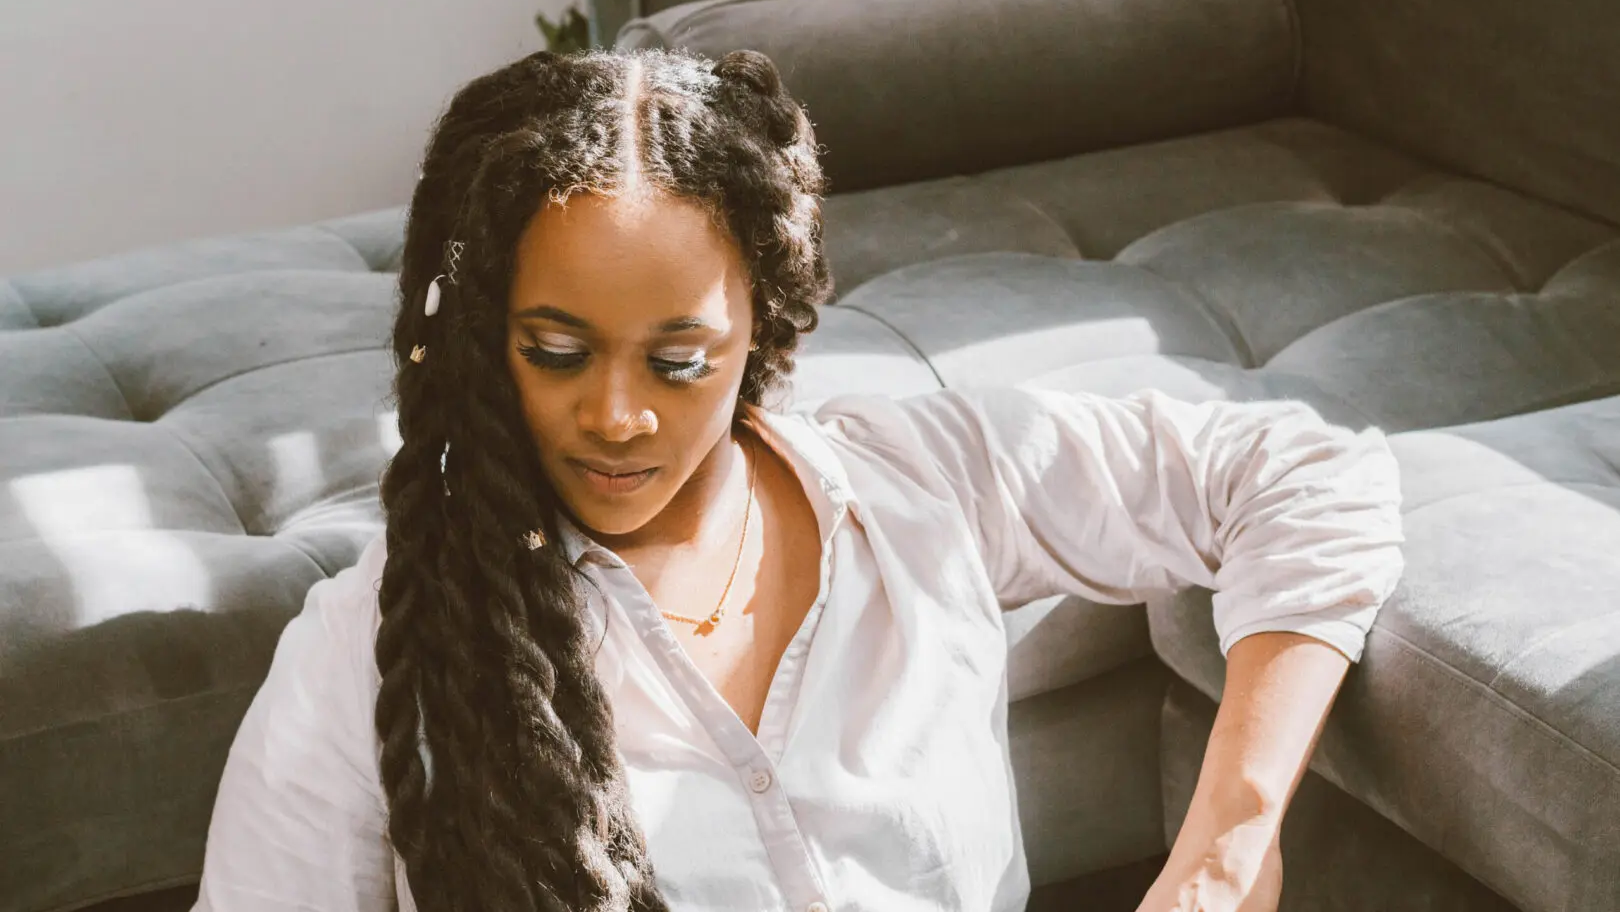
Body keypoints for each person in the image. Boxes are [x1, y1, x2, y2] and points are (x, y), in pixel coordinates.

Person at [192, 48, 1404, 912]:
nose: (616, 415)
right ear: (478, 341)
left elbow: (1305, 474)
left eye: (679, 361)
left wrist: (1229, 849)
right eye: (554, 353)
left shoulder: (927, 484)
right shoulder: (369, 652)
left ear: (764, 335)